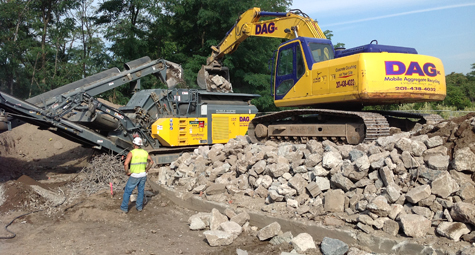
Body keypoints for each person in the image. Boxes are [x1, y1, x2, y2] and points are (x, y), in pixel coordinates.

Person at [120, 137, 154, 213]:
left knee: (127, 191)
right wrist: (146, 170)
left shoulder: (131, 153)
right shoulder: (145, 152)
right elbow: (151, 162)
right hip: (143, 175)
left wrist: (127, 172)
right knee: (141, 191)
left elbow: (125, 164)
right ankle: (139, 207)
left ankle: (124, 208)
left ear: (134, 144)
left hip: (134, 175)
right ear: (140, 144)